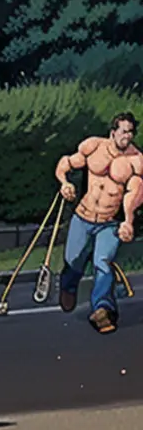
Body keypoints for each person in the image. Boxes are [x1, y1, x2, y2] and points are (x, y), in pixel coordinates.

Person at [55, 112, 143, 333]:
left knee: (102, 262)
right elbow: (66, 163)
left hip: (109, 222)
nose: (127, 136)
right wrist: (64, 183)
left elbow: (135, 192)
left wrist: (128, 221)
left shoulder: (136, 161)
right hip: (83, 216)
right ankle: (69, 286)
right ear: (113, 132)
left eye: (131, 132)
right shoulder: (94, 147)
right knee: (73, 262)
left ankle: (103, 309)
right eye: (123, 131)